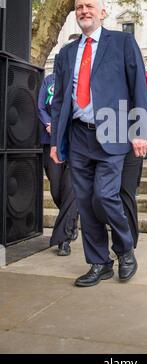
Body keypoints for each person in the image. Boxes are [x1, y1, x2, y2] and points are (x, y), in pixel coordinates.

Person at [50, 0, 147, 287]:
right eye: (79, 7)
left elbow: (138, 90)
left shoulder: (122, 42)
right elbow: (59, 103)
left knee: (105, 195)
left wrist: (140, 132)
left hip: (114, 130)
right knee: (84, 201)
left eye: (89, 6)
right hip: (79, 135)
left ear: (102, 12)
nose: (84, 11)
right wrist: (57, 140)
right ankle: (99, 263)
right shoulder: (66, 53)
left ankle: (125, 249)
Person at [38, 47, 79, 257]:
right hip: (50, 140)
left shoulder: (82, 80)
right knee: (56, 190)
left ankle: (64, 237)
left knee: (71, 189)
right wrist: (49, 124)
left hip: (77, 143)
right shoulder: (49, 80)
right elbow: (41, 106)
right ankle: (72, 217)